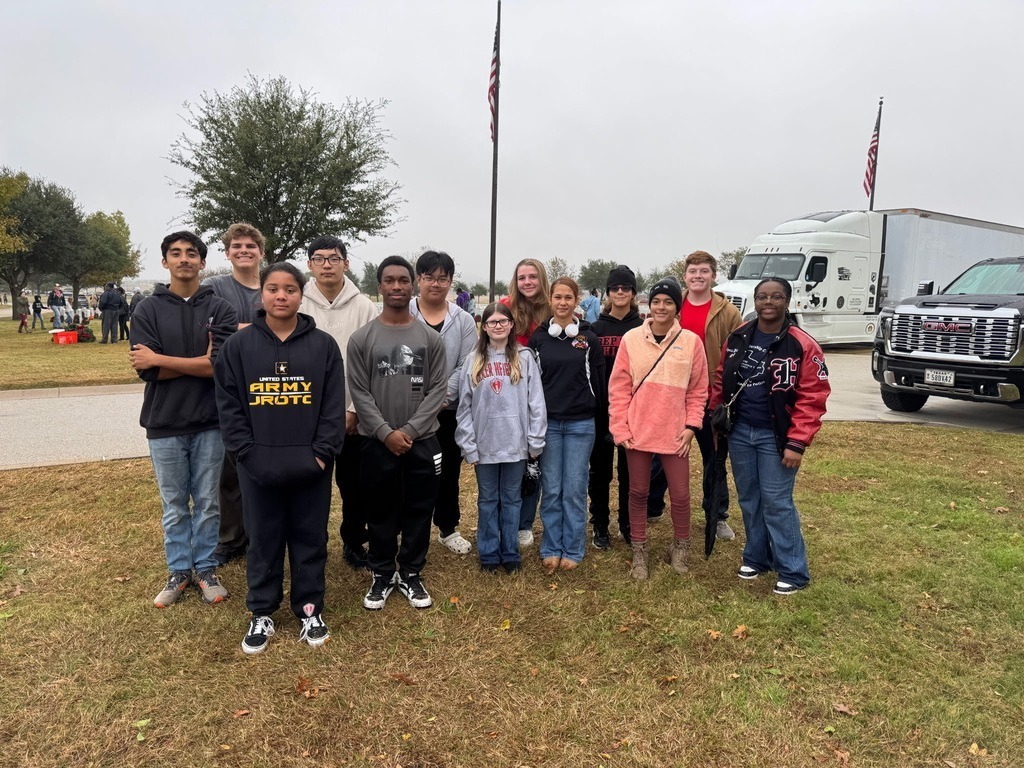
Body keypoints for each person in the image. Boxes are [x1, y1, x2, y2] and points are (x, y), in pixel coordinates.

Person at [215, 262, 345, 654]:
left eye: (290, 289)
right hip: (257, 465)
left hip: (311, 466)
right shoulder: (239, 346)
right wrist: (245, 454)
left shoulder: (323, 345)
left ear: (301, 295)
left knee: (309, 538)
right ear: (262, 294)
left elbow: (333, 407)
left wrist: (322, 455)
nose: (281, 296)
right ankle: (261, 611)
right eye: (273, 288)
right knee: (263, 539)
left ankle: (309, 609)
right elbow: (229, 405)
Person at [129, 231, 237, 609]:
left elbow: (220, 367)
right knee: (174, 504)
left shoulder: (221, 308)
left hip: (211, 421)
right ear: (165, 262)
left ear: (203, 262)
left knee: (207, 502)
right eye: (176, 254)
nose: (184, 259)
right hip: (164, 423)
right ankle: (178, 571)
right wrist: (194, 364)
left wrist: (162, 358)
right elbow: (146, 371)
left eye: (192, 253)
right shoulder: (146, 309)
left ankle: (206, 568)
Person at [710, 278, 830, 596]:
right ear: (755, 301)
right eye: (762, 296)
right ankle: (757, 557)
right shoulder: (738, 338)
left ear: (787, 302)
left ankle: (793, 569)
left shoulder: (802, 344)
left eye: (776, 296)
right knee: (749, 499)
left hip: (776, 437)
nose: (768, 302)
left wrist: (797, 442)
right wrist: (716, 415)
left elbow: (813, 396)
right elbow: (722, 378)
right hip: (740, 433)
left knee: (777, 502)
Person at [347, 256, 447, 611]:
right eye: (389, 280)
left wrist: (409, 430)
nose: (396, 287)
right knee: (379, 509)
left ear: (412, 284)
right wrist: (386, 432)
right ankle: (382, 572)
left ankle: (411, 573)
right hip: (377, 443)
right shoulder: (362, 339)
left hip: (422, 442)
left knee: (420, 509)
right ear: (380, 286)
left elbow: (438, 389)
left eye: (403, 280)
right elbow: (359, 391)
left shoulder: (430, 339)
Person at [608, 277, 708, 579]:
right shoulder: (631, 339)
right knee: (637, 492)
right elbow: (619, 388)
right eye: (656, 301)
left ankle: (681, 546)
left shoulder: (691, 342)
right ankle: (639, 549)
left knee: (679, 494)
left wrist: (692, 426)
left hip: (675, 431)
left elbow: (698, 389)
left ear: (677, 307)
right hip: (638, 430)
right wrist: (620, 428)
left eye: (668, 302)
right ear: (648, 305)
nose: (661, 307)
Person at [648, 251, 744, 540]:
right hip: (672, 396)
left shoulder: (727, 312)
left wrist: (724, 395)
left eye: (704, 271)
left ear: (714, 276)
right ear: (685, 276)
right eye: (693, 271)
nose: (698, 276)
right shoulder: (673, 307)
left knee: (713, 459)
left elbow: (737, 355)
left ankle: (717, 514)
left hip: (711, 398)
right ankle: (653, 506)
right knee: (662, 454)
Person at [298, 236, 379, 571]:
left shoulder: (365, 307)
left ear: (346, 264)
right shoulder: (298, 303)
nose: (327, 264)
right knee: (308, 484)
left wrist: (353, 410)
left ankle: (354, 542)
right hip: (305, 414)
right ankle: (307, 544)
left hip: (353, 416)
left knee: (354, 486)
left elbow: (373, 362)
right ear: (310, 264)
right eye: (319, 258)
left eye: (334, 258)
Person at [455, 302, 546, 573]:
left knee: (511, 499)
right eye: (492, 322)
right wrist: (468, 445)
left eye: (503, 321)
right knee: (487, 500)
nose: (498, 326)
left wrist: (535, 441)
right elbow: (464, 407)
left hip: (515, 444)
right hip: (485, 445)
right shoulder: (473, 360)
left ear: (511, 325)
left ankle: (510, 552)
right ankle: (489, 553)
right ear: (484, 327)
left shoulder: (525, 357)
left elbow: (536, 402)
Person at [529, 277, 605, 572]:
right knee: (552, 489)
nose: (563, 303)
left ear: (577, 301)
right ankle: (550, 545)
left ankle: (572, 547)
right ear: (550, 300)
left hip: (580, 425)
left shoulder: (590, 340)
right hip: (548, 425)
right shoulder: (538, 340)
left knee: (574, 488)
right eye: (558, 297)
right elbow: (532, 387)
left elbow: (599, 384)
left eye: (568, 298)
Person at [410, 251, 477, 555]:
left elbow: (466, 365)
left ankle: (447, 527)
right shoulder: (402, 311)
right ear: (418, 279)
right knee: (408, 470)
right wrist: (414, 400)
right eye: (429, 277)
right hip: (405, 410)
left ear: (450, 281)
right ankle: (408, 525)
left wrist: (438, 398)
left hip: (447, 411)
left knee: (447, 470)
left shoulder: (463, 320)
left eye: (442, 278)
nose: (435, 284)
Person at [205, 222, 265, 566]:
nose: (244, 250)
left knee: (261, 466)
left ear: (260, 252)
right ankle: (230, 537)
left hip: (266, 387)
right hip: (226, 387)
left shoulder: (272, 284)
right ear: (227, 253)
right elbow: (209, 330)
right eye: (237, 246)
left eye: (250, 246)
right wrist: (253, 329)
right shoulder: (215, 287)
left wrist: (236, 331)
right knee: (227, 470)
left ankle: (261, 532)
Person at [588, 265, 643, 548]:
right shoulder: (596, 329)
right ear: (608, 292)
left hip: (633, 410)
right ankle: (599, 523)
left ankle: (628, 523)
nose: (620, 292)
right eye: (614, 288)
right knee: (599, 471)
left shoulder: (642, 328)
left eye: (625, 288)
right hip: (601, 409)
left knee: (629, 471)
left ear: (633, 292)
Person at [501, 258, 551, 547]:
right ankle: (505, 518)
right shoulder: (506, 307)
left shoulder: (552, 308)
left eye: (533, 276)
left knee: (535, 461)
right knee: (512, 459)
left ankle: (524, 523)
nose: (528, 282)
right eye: (522, 277)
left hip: (546, 391)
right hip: (512, 392)